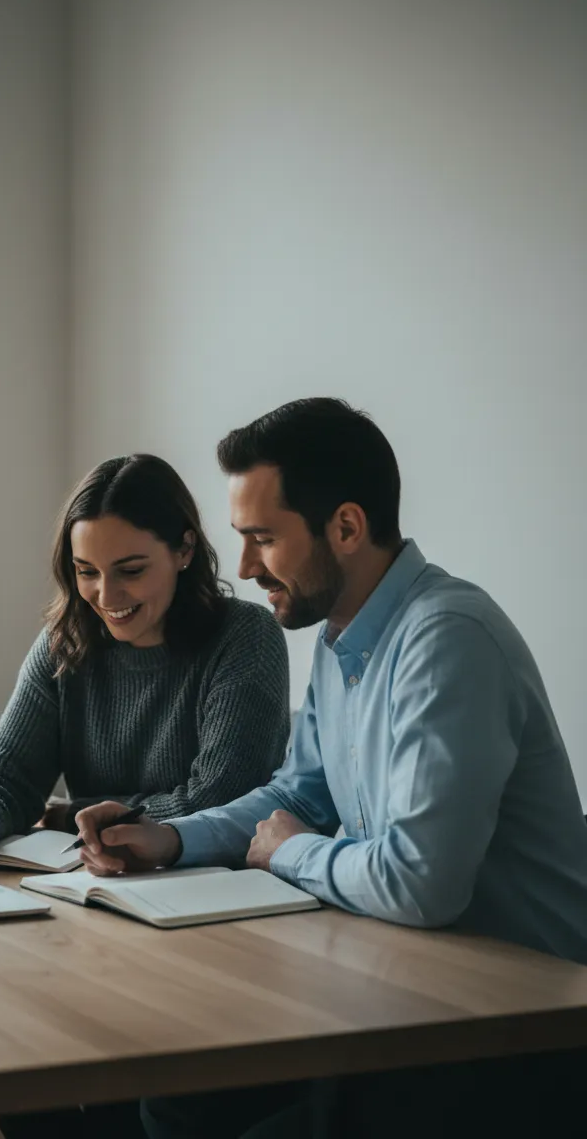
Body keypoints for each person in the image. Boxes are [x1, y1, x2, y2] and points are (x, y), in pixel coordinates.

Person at [76, 399, 587, 1139]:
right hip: (410, 998)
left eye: (262, 540)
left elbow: (421, 883)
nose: (245, 567)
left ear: (345, 527)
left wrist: (292, 852)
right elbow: (299, 794)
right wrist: (171, 838)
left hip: (513, 1037)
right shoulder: (345, 636)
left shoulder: (447, 641)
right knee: (175, 1100)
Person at [0, 453, 291, 863]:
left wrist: (73, 814)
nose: (106, 596)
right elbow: (9, 773)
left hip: (213, 890)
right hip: (98, 876)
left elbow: (222, 797)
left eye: (130, 571)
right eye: (86, 571)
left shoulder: (245, 635)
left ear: (184, 549)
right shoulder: (65, 641)